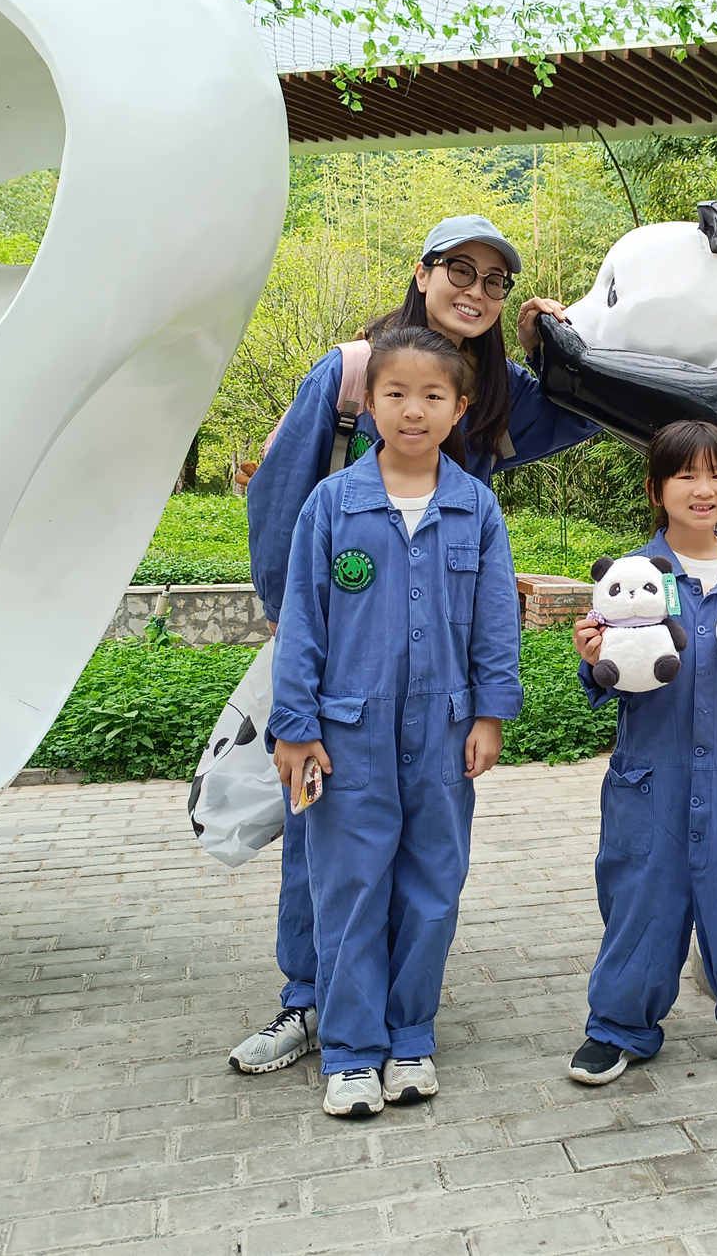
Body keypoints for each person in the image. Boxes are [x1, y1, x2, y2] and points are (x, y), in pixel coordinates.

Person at [232, 214, 598, 1077]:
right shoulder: (354, 373)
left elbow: (584, 418)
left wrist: (559, 351)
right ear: (422, 272)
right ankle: (309, 1001)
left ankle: (393, 1015)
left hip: (437, 673)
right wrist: (292, 638)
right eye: (458, 270)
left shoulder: (500, 391)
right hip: (338, 656)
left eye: (494, 280)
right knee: (321, 839)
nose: (476, 290)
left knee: (425, 851)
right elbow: (279, 500)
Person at [268, 324, 523, 1117]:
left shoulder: (475, 508)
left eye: (433, 396)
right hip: (347, 736)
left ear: (460, 408)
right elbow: (301, 622)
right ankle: (349, 1050)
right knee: (349, 886)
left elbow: (496, 623)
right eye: (396, 394)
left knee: (432, 886)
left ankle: (410, 1037)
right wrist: (295, 725)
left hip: (444, 734)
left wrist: (490, 713)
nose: (414, 410)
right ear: (371, 404)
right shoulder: (331, 505)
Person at [566, 421, 717, 1096]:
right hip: (649, 782)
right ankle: (619, 1025)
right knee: (640, 905)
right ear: (656, 489)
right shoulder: (633, 577)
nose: (703, 489)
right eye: (685, 475)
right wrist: (593, 658)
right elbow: (604, 679)